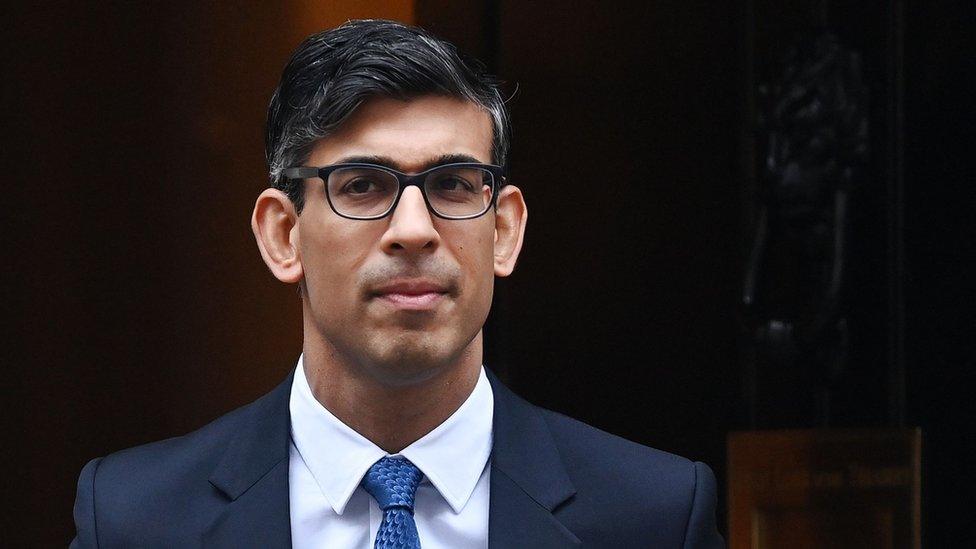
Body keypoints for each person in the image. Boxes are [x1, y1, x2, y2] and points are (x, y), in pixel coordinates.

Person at [70, 19, 724, 549]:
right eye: (362, 184)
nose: (413, 229)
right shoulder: (136, 519)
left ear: (504, 232)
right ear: (282, 234)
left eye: (452, 184)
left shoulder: (654, 515)